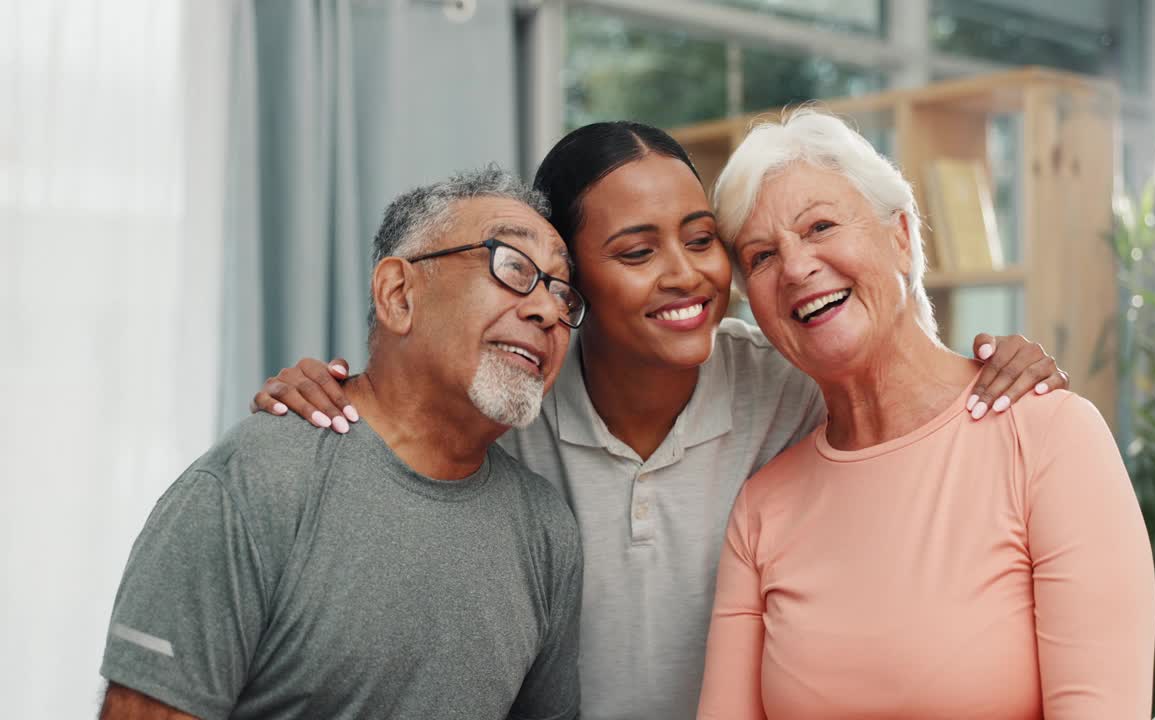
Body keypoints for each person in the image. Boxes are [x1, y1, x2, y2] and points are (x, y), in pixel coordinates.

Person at [253, 122, 1069, 720]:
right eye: (636, 253)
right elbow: (406, 404)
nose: (686, 277)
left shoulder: (784, 382)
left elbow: (896, 394)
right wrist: (322, 391)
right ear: (566, 285)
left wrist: (995, 368)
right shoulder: (513, 401)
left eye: (703, 240)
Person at [696, 109, 1155, 719]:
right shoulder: (761, 509)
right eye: (761, 257)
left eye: (821, 226)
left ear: (903, 237)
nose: (797, 268)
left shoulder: (1050, 438)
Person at [99, 168, 584, 720]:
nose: (548, 311)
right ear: (398, 295)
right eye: (513, 266)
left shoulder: (547, 531)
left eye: (563, 293)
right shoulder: (256, 482)